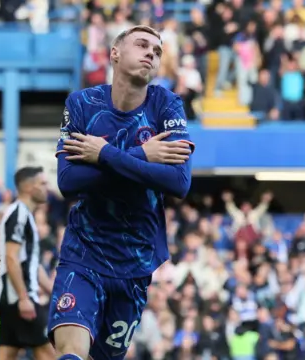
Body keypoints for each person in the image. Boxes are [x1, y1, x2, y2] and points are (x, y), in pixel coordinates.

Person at [48, 25, 195, 360]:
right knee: (72, 351)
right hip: (83, 251)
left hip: (137, 259)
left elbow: (178, 182)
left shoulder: (167, 105)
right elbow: (69, 181)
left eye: (157, 51)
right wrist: (142, 155)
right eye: (142, 45)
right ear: (114, 53)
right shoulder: (83, 103)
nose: (151, 54)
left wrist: (103, 155)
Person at [0, 167, 55, 360]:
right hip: (19, 299)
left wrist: (55, 293)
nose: (47, 187)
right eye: (42, 183)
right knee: (48, 353)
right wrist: (23, 297)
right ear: (29, 187)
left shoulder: (26, 215)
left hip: (12, 299)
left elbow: (33, 266)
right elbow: (11, 257)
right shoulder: (18, 214)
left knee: (6, 354)